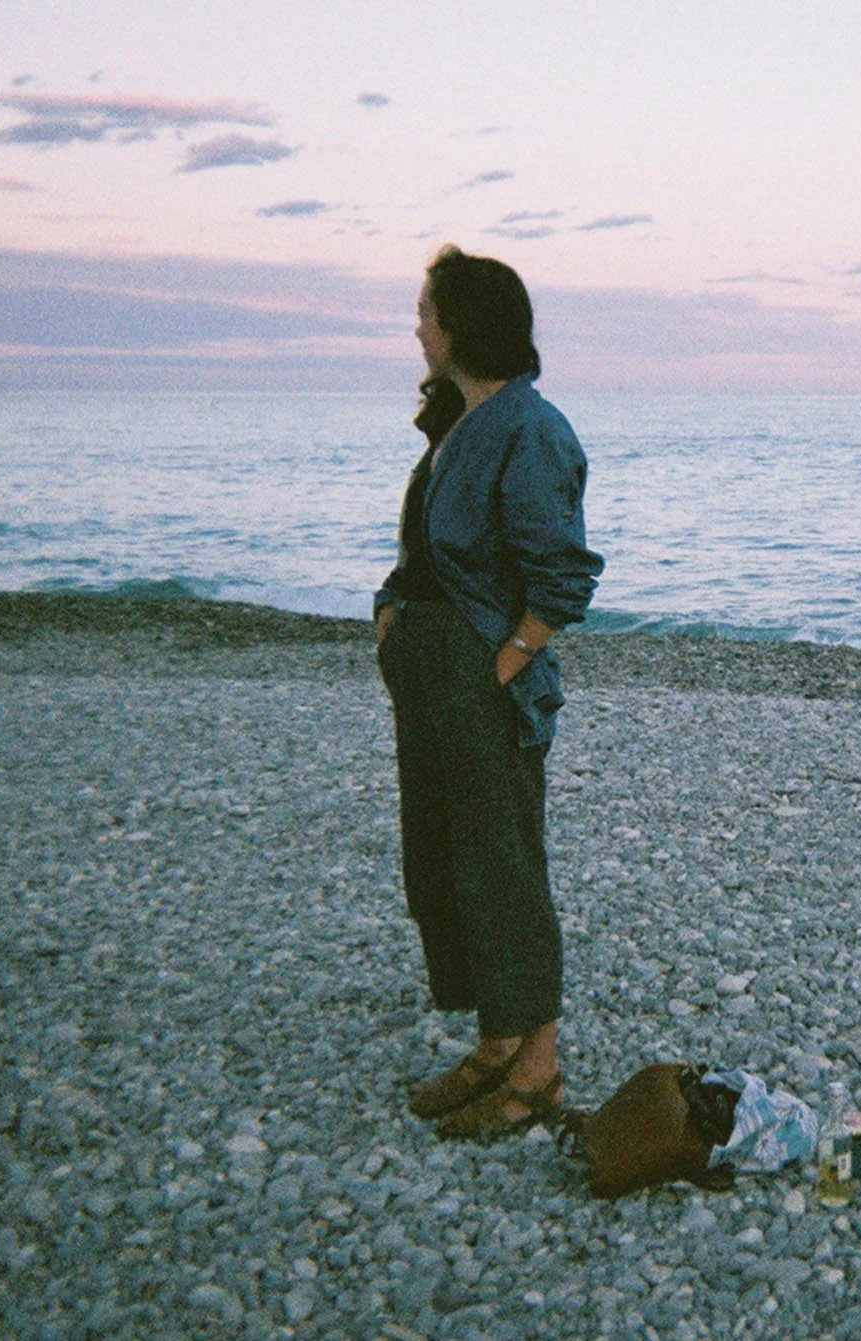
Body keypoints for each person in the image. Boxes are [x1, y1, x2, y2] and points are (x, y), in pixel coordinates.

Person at [374, 246, 604, 1140]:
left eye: (427, 309)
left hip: (482, 681)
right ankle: (496, 1038)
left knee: (502, 868)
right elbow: (427, 551)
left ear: (465, 323)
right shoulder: (458, 422)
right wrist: (393, 611)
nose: (418, 325)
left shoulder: (530, 428)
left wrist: (504, 661)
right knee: (442, 862)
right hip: (430, 674)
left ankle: (537, 1067)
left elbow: (564, 575)